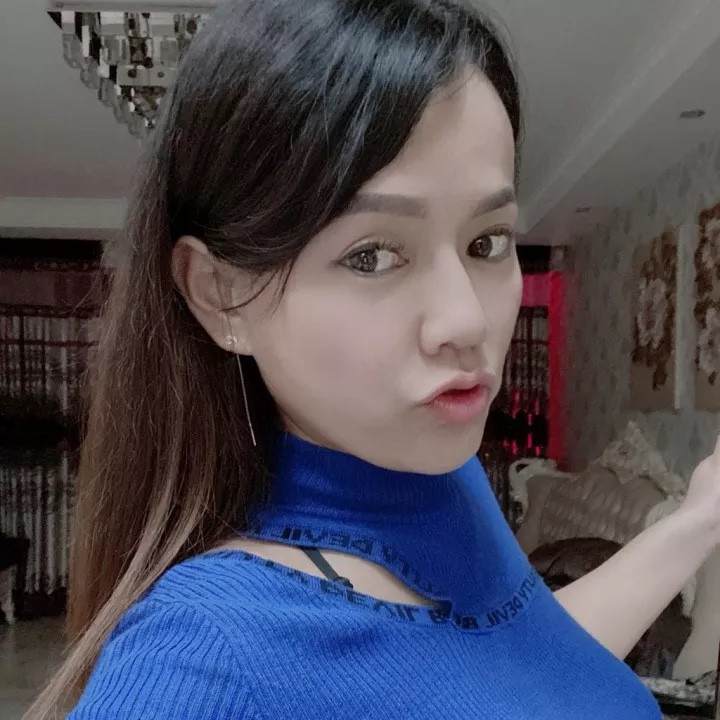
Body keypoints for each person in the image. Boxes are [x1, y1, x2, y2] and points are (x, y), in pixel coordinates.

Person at [26, 1, 720, 718]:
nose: (465, 321)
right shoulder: (200, 659)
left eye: (486, 243)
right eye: (372, 256)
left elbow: (521, 672)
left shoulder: (441, 477)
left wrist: (702, 514)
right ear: (222, 294)